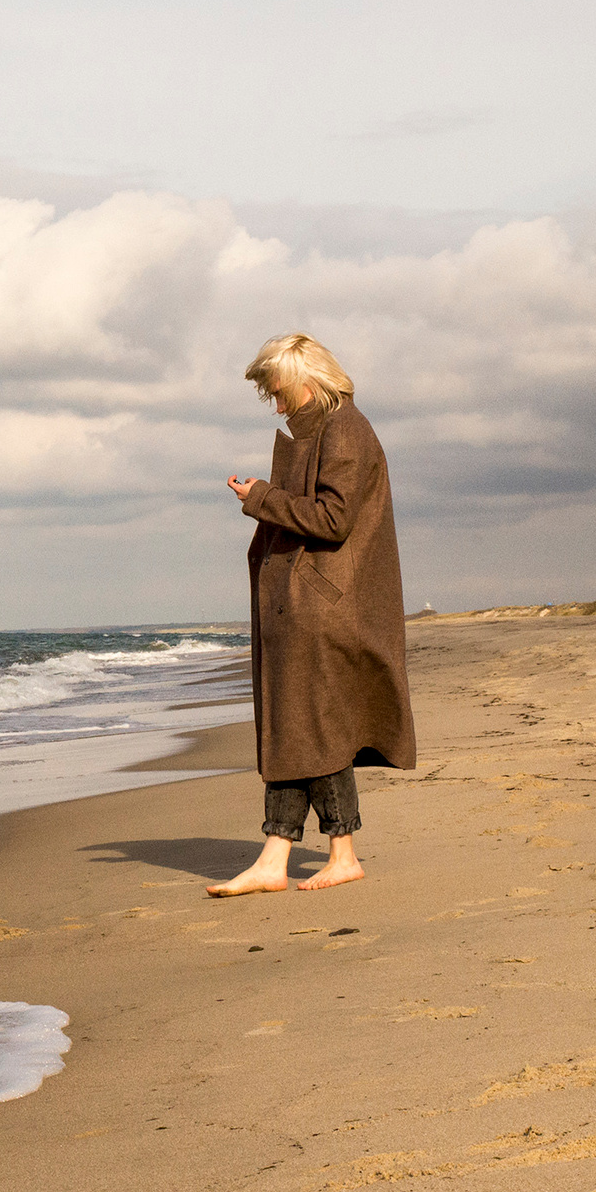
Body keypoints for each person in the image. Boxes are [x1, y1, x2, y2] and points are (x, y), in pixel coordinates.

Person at [207, 333, 417, 895]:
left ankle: (337, 852)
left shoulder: (345, 428)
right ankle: (278, 857)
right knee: (298, 729)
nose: (275, 405)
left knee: (313, 727)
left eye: (276, 392)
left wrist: (260, 497)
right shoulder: (332, 428)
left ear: (305, 379)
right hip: (311, 603)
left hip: (320, 605)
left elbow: (332, 520)